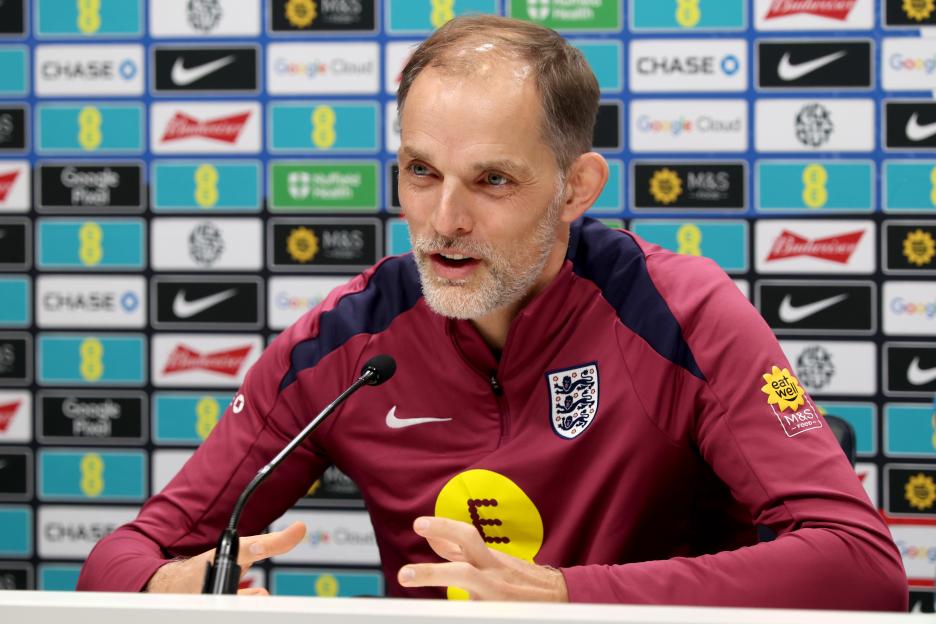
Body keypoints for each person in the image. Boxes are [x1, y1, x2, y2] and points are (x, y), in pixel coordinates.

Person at [78, 15, 907, 609]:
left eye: (493, 181)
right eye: (420, 171)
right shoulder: (344, 345)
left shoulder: (680, 311)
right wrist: (163, 581)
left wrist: (563, 595)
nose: (444, 221)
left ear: (577, 187)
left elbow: (861, 566)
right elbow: (123, 555)